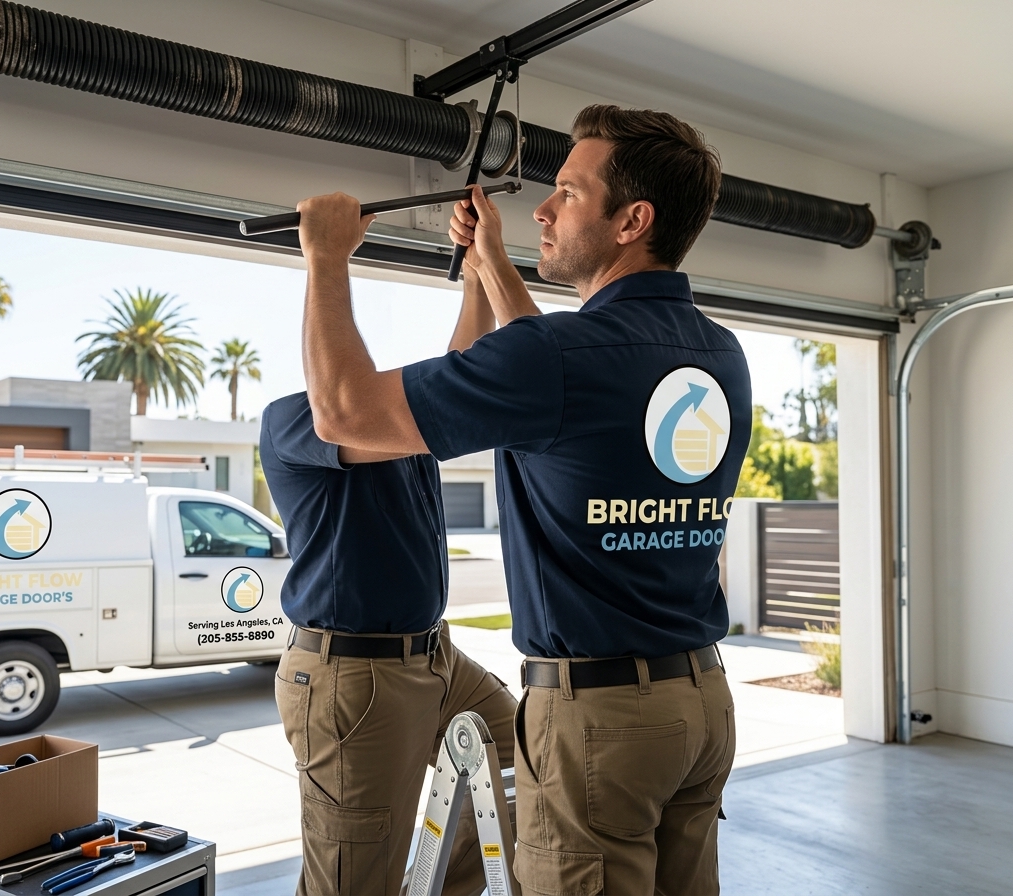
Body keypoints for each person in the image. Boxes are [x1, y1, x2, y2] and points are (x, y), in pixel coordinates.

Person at [292, 104, 752, 895]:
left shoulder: (559, 357)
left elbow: (340, 412)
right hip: (699, 706)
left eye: (568, 194)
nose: (542, 207)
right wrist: (490, 264)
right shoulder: (717, 351)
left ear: (630, 221)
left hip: (602, 724)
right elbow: (560, 378)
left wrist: (326, 258)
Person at [261, 389, 517, 891]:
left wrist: (476, 303)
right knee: (354, 881)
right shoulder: (296, 418)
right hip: (355, 677)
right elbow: (345, 416)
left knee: (524, 765)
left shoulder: (405, 427)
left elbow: (459, 387)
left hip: (437, 657)